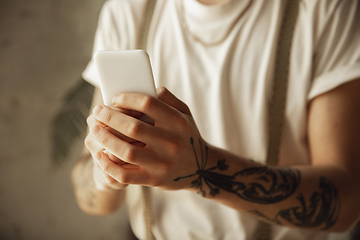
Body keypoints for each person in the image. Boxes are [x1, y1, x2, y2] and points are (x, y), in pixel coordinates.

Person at [71, 0, 360, 239]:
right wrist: (105, 172)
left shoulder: (326, 9)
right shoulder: (128, 10)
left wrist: (203, 168)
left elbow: (346, 202)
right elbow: (89, 197)